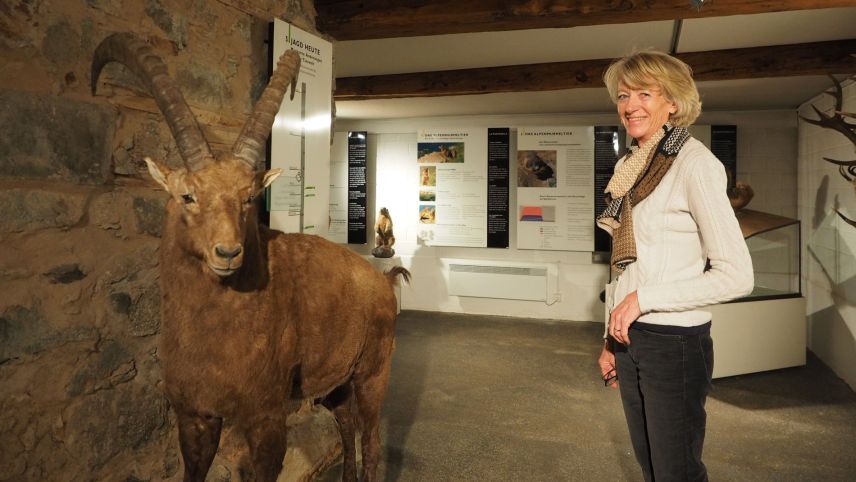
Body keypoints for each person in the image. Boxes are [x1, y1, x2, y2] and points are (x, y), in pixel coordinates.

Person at [596, 50, 754, 482]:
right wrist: (610, 336)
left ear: (673, 103)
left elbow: (737, 275)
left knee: (675, 471)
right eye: (624, 95)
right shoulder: (628, 167)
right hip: (630, 338)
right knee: (650, 464)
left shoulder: (695, 164)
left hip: (675, 342)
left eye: (645, 93)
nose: (631, 106)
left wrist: (643, 301)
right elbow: (626, 265)